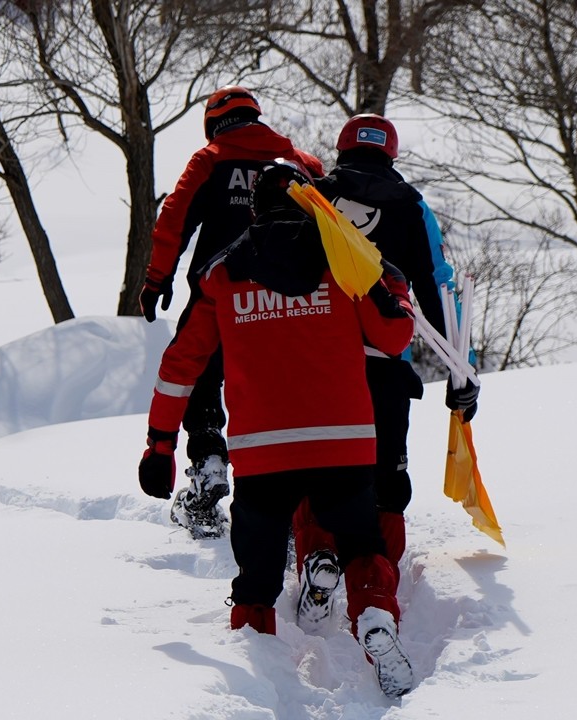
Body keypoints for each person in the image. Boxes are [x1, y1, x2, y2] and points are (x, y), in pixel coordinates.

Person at [137, 159, 418, 697]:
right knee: (362, 547)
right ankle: (376, 618)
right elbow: (395, 337)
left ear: (255, 210)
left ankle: (260, 689)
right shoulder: (345, 263)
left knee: (257, 585)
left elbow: (181, 365)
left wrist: (161, 444)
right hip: (344, 444)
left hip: (263, 454)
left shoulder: (221, 272)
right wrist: (396, 288)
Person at [291, 114, 480, 634]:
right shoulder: (412, 207)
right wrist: (463, 369)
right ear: (390, 155)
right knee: (386, 485)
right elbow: (439, 287)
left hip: (319, 368)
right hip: (385, 372)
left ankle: (318, 556)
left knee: (319, 472)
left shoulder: (313, 197)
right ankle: (375, 592)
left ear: (341, 149)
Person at [139, 86, 325, 539]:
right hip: (293, 303)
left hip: (219, 296)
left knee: (200, 375)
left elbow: (173, 219)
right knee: (277, 394)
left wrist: (156, 278)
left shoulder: (210, 160)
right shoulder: (302, 164)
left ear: (213, 122)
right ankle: (289, 506)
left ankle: (208, 463)